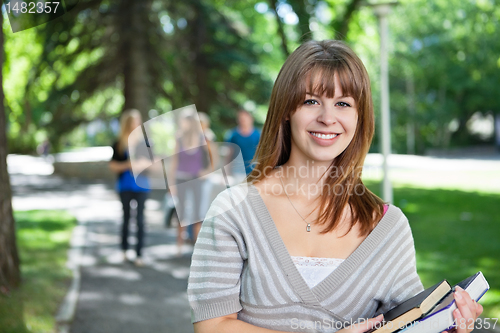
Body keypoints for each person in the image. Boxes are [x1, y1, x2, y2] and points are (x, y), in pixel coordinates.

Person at [187, 40, 482, 333]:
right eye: (311, 101)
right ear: (287, 109)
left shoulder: (388, 227)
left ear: (359, 116)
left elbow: (409, 323)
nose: (327, 118)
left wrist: (448, 327)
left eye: (343, 103)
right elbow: (212, 325)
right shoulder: (233, 211)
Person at [109, 109, 150, 267]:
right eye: (133, 121)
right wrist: (127, 165)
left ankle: (139, 253)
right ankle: (124, 250)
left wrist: (142, 164)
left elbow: (152, 164)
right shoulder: (119, 143)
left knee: (140, 219)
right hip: (125, 185)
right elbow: (113, 165)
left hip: (142, 186)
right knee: (126, 218)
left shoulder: (145, 142)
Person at [169, 111, 211, 255]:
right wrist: (171, 183)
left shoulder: (202, 138)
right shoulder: (179, 138)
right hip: (181, 178)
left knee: (198, 213)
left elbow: (211, 160)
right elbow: (174, 162)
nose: (182, 123)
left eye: (185, 121)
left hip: (197, 180)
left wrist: (205, 172)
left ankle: (197, 248)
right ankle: (179, 246)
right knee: (181, 212)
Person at [225, 109, 261, 175]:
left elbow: (262, 154)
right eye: (241, 118)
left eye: (245, 118)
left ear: (251, 119)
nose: (243, 120)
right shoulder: (233, 135)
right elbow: (229, 154)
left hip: (254, 170)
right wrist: (226, 172)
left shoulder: (258, 135)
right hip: (237, 171)